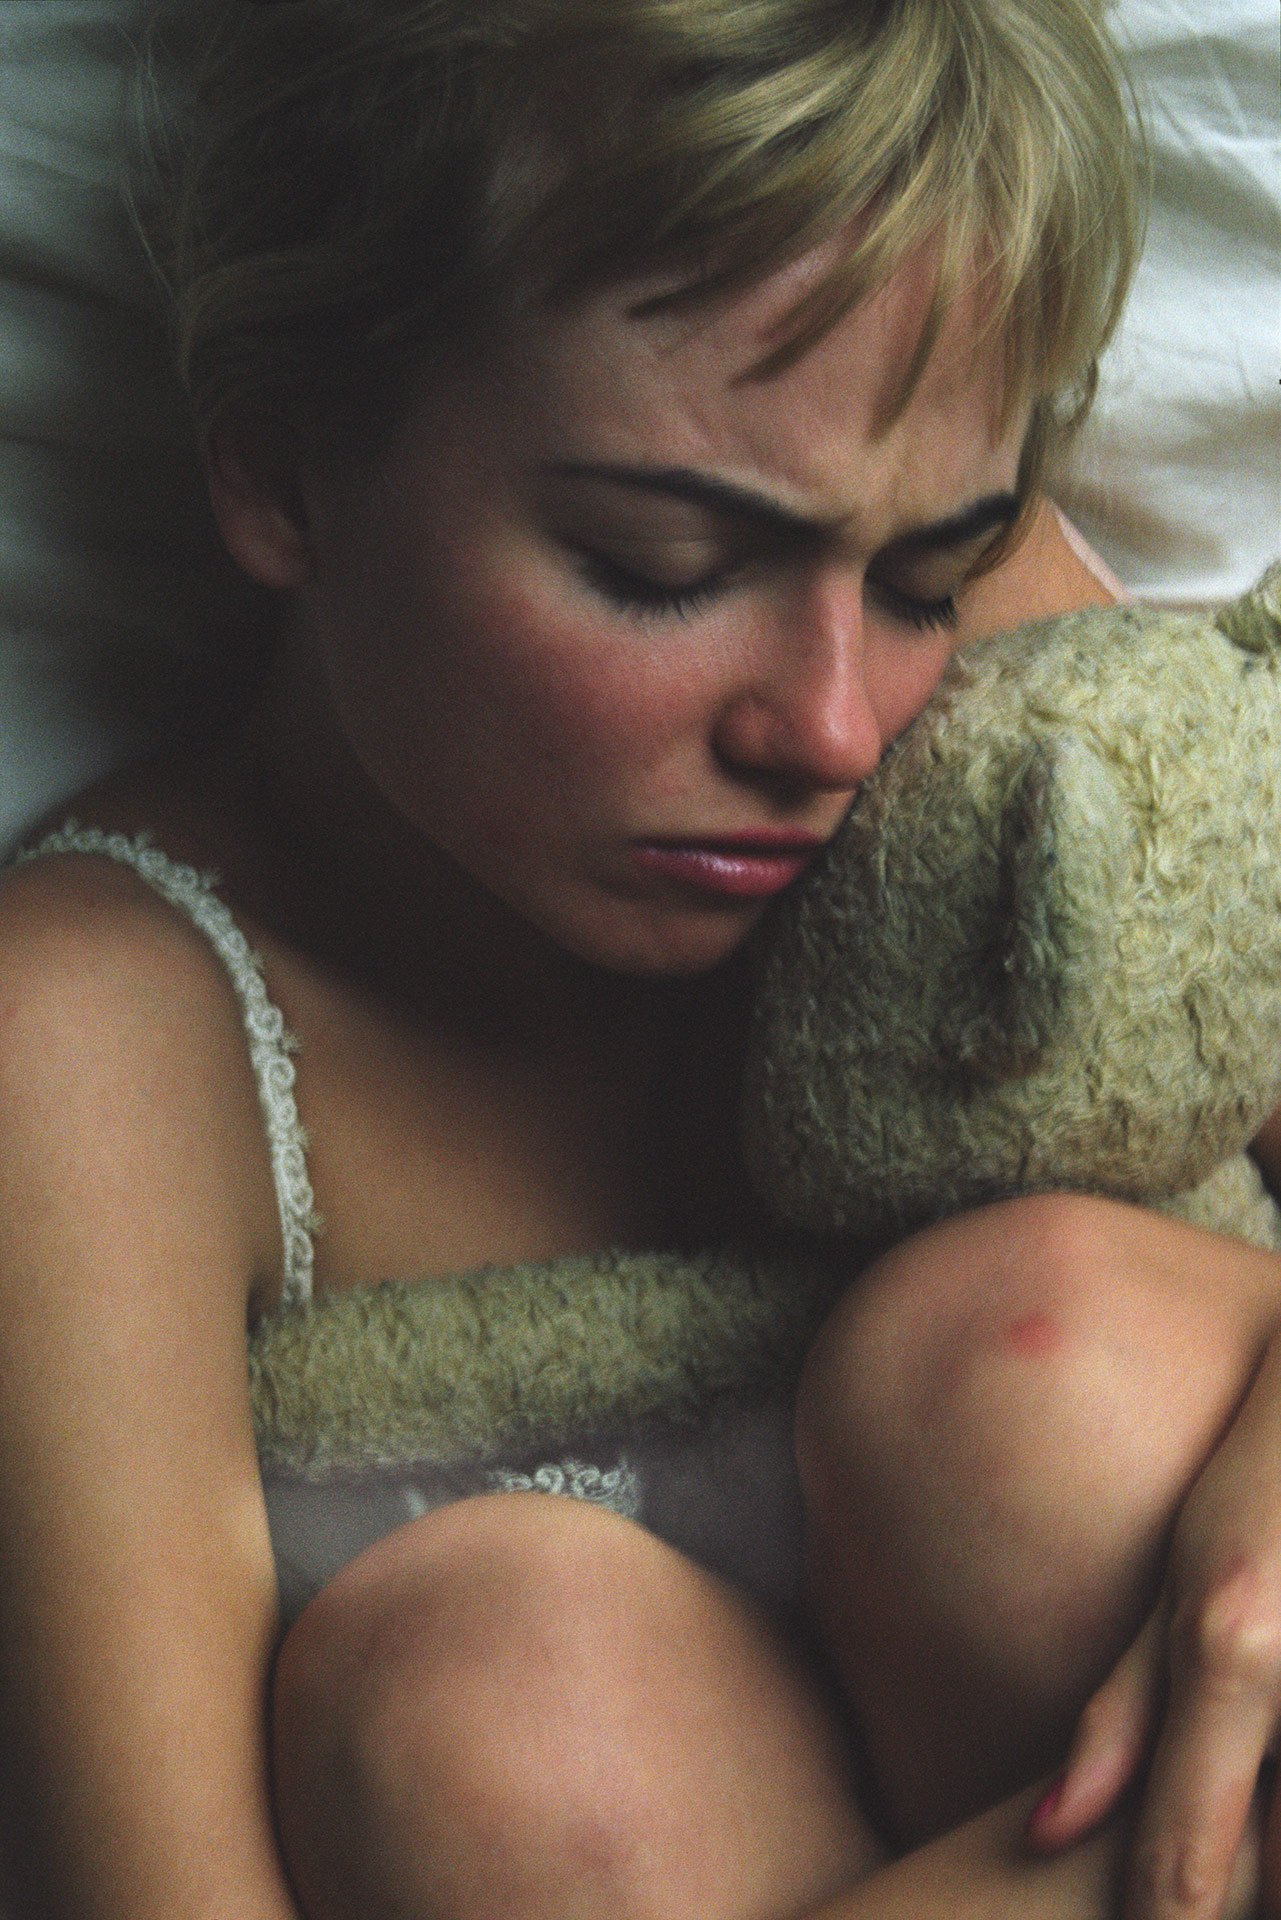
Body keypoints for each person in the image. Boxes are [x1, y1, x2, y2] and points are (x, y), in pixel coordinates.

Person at [0, 1, 1273, 1916]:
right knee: (497, 1711)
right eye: (659, 569)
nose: (830, 729)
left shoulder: (947, 672)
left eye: (929, 576)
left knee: (1035, 1378)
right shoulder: (98, 1039)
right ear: (284, 465)